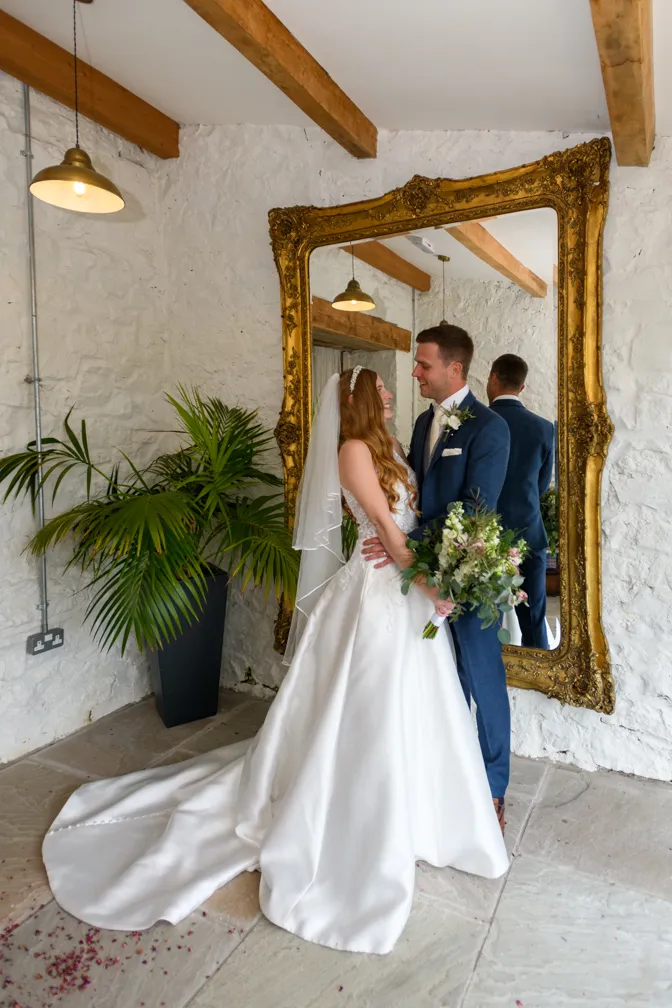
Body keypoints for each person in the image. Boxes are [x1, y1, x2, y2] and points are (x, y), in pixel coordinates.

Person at [42, 367, 508, 958]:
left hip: (402, 586)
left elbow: (410, 520)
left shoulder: (391, 445)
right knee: (365, 707)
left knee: (418, 704)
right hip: (379, 591)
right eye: (382, 389)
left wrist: (430, 570)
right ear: (360, 399)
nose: (393, 393)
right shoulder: (353, 451)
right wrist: (429, 583)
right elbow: (385, 528)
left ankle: (424, 808)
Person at [363, 325, 512, 831]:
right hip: (422, 578)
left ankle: (492, 788)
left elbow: (476, 509)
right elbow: (416, 494)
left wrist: (401, 544)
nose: (415, 373)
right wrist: (396, 543)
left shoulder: (489, 427)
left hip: (466, 573)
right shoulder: (424, 420)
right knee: (441, 681)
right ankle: (449, 778)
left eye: (423, 365)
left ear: (455, 368)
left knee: (481, 677)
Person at [487, 353, 555, 649]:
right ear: (522, 387)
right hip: (529, 531)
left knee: (484, 617)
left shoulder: (480, 422)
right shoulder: (543, 428)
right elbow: (541, 485)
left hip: (484, 536)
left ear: (493, 378)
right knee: (534, 617)